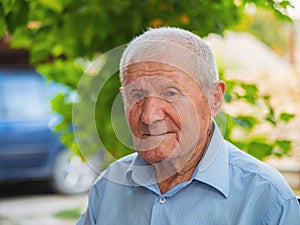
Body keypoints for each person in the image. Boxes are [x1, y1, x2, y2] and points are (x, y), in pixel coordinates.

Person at [77, 27, 300, 225]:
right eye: (137, 95)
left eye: (171, 93)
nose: (149, 116)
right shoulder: (108, 187)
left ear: (214, 99)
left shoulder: (268, 200)